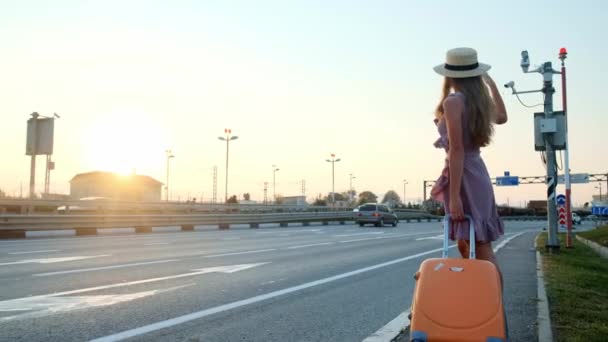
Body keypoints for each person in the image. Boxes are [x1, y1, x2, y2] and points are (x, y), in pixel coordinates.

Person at [430, 47, 508, 283]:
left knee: (479, 250)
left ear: (449, 75)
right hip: (477, 173)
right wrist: (491, 85)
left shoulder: (453, 102)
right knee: (472, 247)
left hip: (464, 175)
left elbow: (456, 150)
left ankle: (493, 311)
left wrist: (454, 196)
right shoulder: (477, 104)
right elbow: (502, 117)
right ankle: (487, 308)